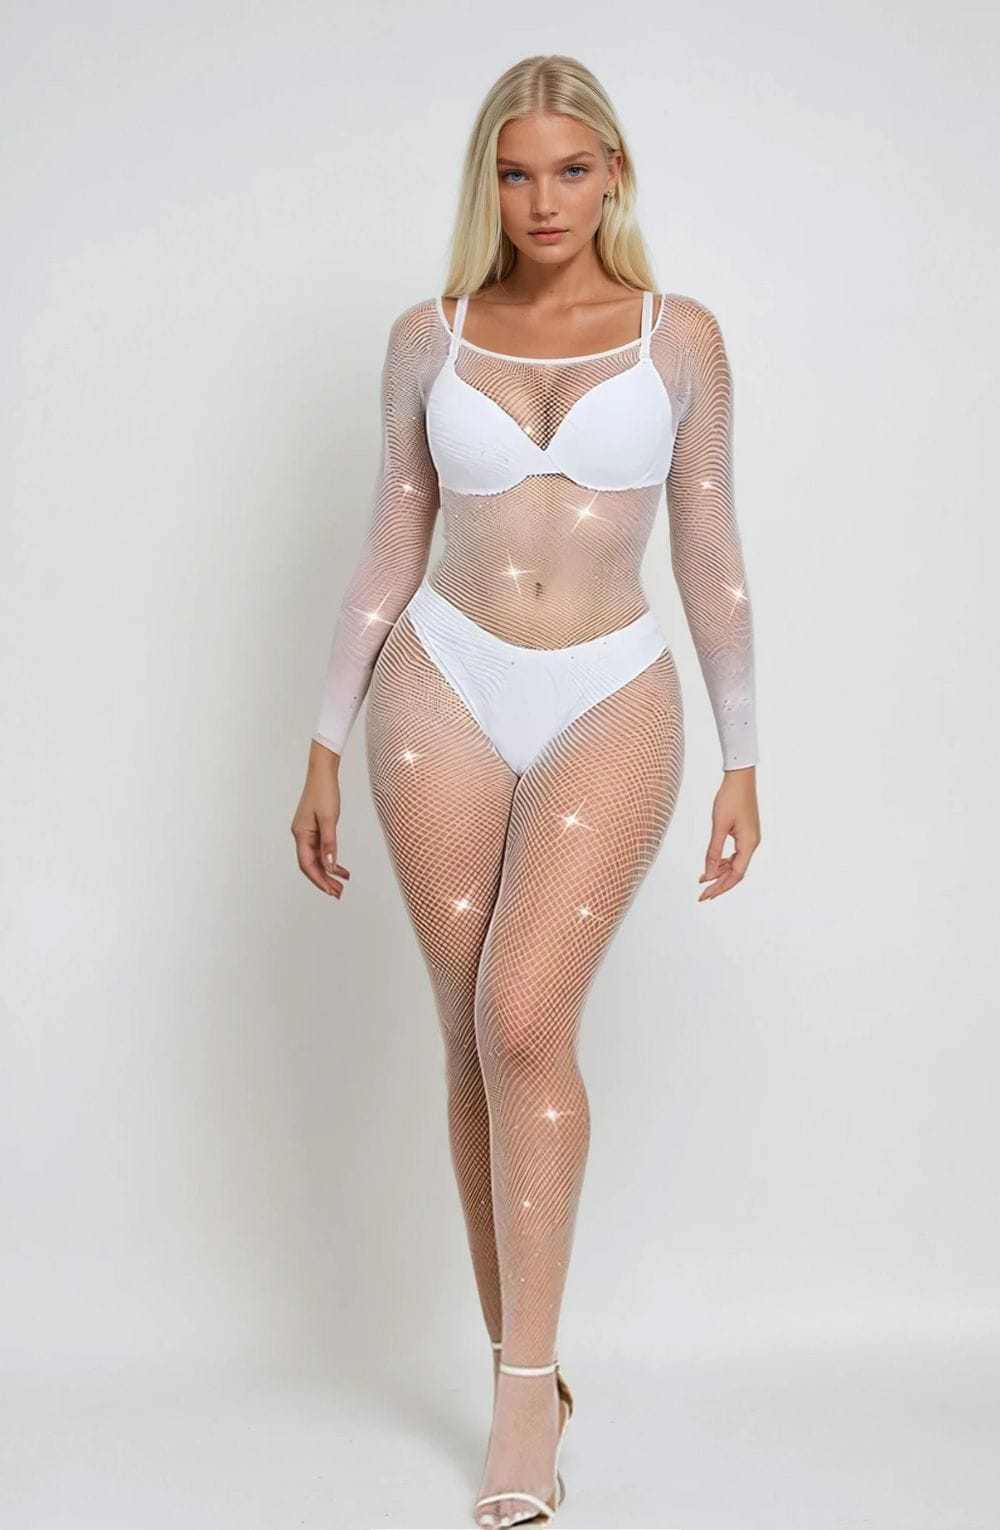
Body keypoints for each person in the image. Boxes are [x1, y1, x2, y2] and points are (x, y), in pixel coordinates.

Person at [291, 51, 761, 1530]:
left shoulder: (680, 339)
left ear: (613, 174)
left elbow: (709, 550)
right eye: (514, 172)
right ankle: (527, 1383)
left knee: (522, 1018)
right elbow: (391, 540)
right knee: (470, 1037)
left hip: (611, 690)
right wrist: (321, 740)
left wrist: (745, 755)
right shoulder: (426, 339)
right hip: (440, 680)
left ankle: (521, 1396)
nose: (543, 199)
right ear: (486, 184)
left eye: (569, 168)